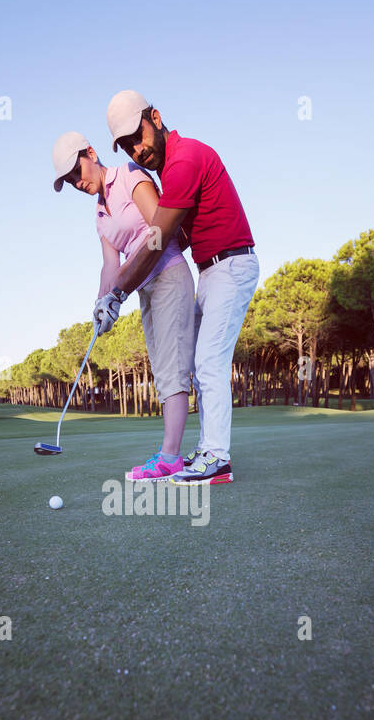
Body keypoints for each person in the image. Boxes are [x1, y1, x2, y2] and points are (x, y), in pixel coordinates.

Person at [93, 91, 258, 486]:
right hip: (212, 269)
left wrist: (118, 291)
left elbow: (158, 238)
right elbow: (176, 237)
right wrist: (127, 277)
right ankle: (206, 451)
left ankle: (217, 459)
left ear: (156, 117)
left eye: (139, 135)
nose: (137, 148)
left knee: (208, 362)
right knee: (201, 367)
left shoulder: (184, 160)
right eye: (127, 144)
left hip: (231, 265)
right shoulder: (171, 168)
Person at [51, 130, 195, 480]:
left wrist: (120, 291)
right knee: (163, 371)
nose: (76, 182)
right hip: (144, 289)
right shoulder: (100, 215)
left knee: (175, 367)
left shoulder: (129, 174)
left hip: (171, 275)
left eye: (77, 171)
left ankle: (171, 457)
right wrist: (102, 302)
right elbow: (110, 265)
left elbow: (160, 230)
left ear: (91, 152)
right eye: (69, 180)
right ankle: (172, 454)